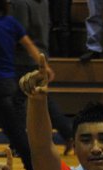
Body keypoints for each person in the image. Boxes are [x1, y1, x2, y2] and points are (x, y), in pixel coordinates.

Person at [0, 0, 41, 170]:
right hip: (7, 82)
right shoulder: (11, 22)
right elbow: (29, 45)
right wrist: (43, 66)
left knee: (14, 131)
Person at [9, 0, 74, 155]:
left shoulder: (20, 3)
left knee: (17, 101)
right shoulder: (44, 2)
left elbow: (19, 34)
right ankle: (69, 133)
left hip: (24, 58)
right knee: (46, 101)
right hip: (40, 54)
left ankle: (18, 145)